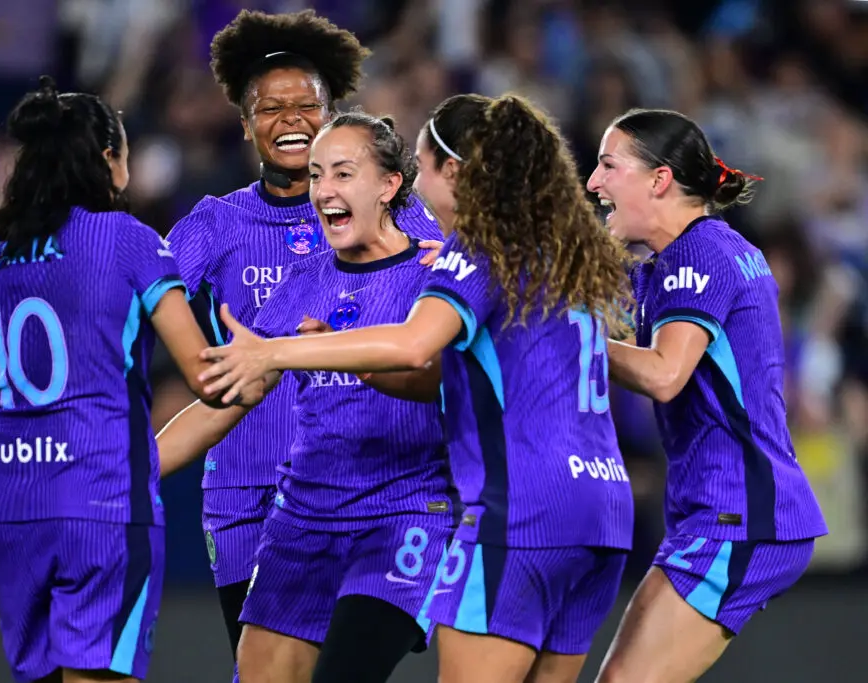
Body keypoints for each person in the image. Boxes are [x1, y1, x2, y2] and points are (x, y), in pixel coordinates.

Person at [195, 94, 636, 683]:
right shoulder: (549, 255)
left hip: (517, 511)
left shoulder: (471, 255)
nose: (418, 192)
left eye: (421, 166)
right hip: (600, 510)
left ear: (447, 172)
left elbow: (412, 345)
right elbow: (436, 371)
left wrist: (276, 351)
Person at [164, 9, 441, 667]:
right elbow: (138, 296)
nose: (288, 119)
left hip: (389, 496)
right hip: (258, 499)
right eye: (268, 108)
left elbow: (454, 342)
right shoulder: (218, 225)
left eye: (305, 104)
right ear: (246, 126)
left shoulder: (426, 239)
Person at [0, 76, 255, 683]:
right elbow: (207, 376)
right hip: (100, 502)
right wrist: (267, 357)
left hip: (9, 509)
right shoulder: (129, 241)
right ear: (106, 159)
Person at [584, 108, 828, 683]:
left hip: (739, 513)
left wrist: (570, 342)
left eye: (607, 164)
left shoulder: (699, 254)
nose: (594, 182)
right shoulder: (691, 255)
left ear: (659, 180)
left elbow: (666, 373)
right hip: (718, 510)